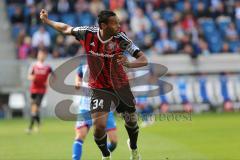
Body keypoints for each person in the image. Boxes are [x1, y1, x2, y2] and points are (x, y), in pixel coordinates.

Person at [40, 9, 148, 160]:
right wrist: (47, 21)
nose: (119, 25)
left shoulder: (121, 38)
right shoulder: (87, 33)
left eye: (118, 22)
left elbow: (143, 59)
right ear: (103, 26)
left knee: (131, 122)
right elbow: (66, 29)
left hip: (120, 85)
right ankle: (106, 155)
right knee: (99, 129)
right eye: (115, 23)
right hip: (99, 88)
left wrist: (129, 64)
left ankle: (134, 148)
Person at [73, 64, 118, 160]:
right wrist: (77, 83)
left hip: (103, 107)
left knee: (113, 142)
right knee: (80, 135)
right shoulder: (82, 67)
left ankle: (105, 155)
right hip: (85, 107)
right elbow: (78, 79)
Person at [27, 48, 53, 133]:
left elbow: (52, 76)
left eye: (42, 55)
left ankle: (30, 128)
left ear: (45, 56)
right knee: (34, 109)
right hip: (33, 89)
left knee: (35, 108)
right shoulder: (33, 65)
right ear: (38, 56)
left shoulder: (47, 67)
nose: (41, 56)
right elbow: (29, 76)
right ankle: (38, 123)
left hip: (41, 90)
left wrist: (48, 82)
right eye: (40, 54)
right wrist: (33, 77)